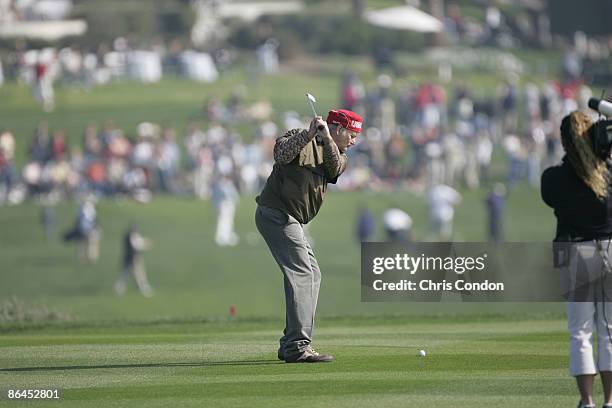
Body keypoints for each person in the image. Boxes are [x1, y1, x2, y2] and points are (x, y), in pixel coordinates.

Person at [255, 109, 362, 363]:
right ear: (339, 129)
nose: (355, 140)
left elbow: (335, 168)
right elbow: (281, 154)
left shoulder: (338, 154)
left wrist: (325, 139)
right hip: (277, 213)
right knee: (302, 274)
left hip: (293, 221)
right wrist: (309, 134)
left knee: (312, 273)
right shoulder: (297, 136)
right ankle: (297, 346)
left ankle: (291, 342)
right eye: (352, 134)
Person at [541, 111, 612, 408]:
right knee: (609, 331)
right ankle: (611, 400)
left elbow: (551, 197)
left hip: (575, 252)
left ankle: (587, 400)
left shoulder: (554, 178)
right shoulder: (608, 173)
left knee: (580, 332)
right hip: (609, 249)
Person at [114, 224, 153, 297]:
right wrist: (145, 244)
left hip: (131, 258)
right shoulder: (131, 236)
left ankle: (120, 288)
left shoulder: (131, 236)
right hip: (132, 258)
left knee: (128, 273)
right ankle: (143, 288)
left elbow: (139, 242)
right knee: (136, 274)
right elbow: (136, 246)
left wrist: (145, 243)